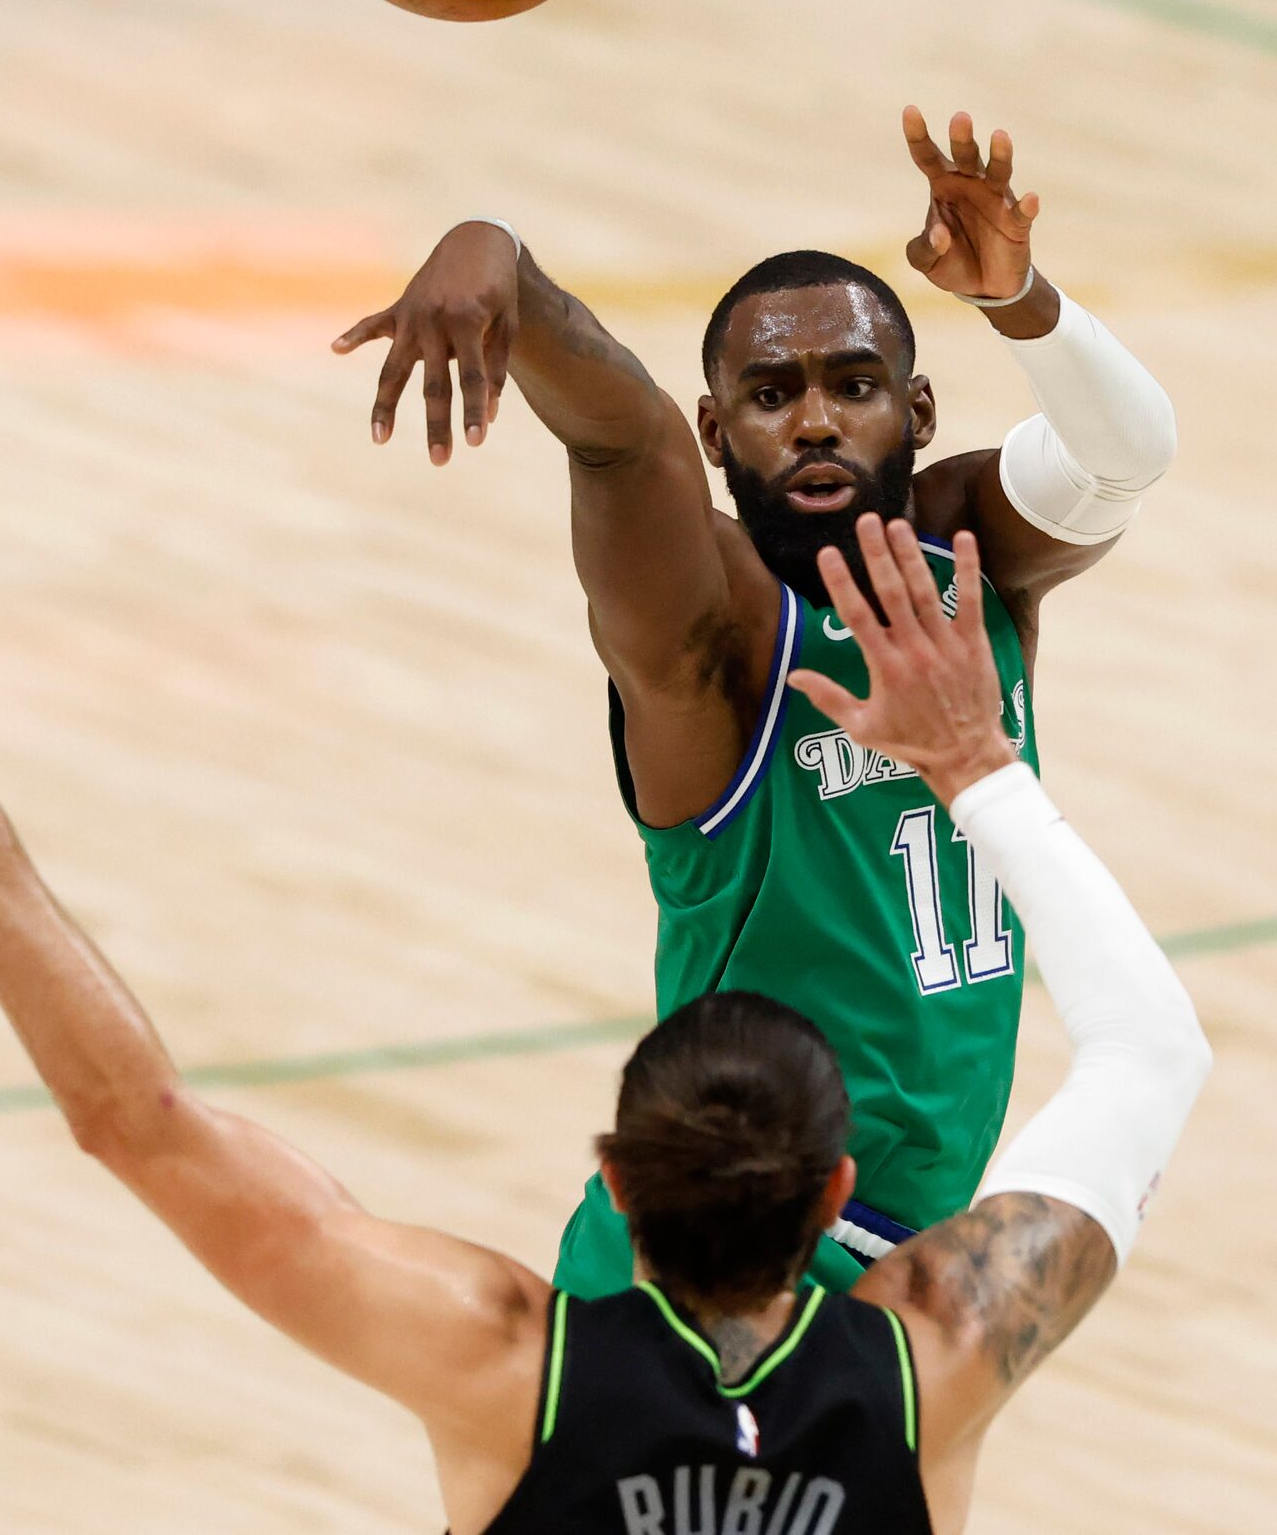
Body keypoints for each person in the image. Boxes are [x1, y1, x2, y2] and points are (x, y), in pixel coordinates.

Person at [0, 517, 1209, 1535]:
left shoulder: (509, 1366)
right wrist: (974, 765)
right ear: (837, 1194)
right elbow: (1150, 1046)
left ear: (612, 1188)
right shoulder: (937, 1347)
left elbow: (139, 1120)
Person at [333, 108, 1178, 1295]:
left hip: (893, 1263)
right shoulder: (720, 634)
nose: (819, 419)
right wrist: (496, 252)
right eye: (774, 395)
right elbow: (625, 452)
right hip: (706, 1264)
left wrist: (1022, 301)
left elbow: (1125, 454)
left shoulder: (974, 557)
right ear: (718, 431)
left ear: (918, 413)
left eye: (856, 384)